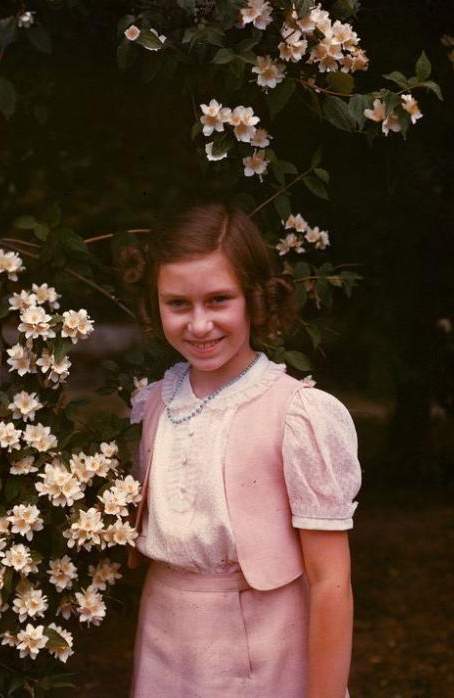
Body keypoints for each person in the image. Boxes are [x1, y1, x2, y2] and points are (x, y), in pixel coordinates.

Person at [117, 202, 362, 698]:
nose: (200, 325)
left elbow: (330, 578)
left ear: (254, 297)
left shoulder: (297, 414)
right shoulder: (157, 401)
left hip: (263, 648)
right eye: (178, 304)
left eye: (219, 300)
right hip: (165, 638)